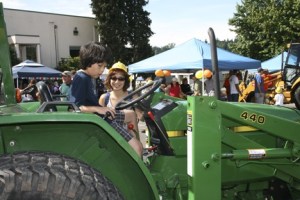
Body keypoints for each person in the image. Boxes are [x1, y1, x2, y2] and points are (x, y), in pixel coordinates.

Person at [69, 41, 143, 157]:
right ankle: (135, 154)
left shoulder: (89, 78)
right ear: (89, 61)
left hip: (101, 116)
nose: (102, 70)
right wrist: (99, 109)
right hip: (101, 120)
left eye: (104, 67)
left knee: (131, 114)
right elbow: (74, 107)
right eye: (100, 66)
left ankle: (131, 140)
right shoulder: (81, 78)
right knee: (138, 148)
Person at [99, 61, 139, 138]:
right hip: (109, 138)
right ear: (109, 79)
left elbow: (142, 117)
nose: (117, 82)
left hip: (130, 140)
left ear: (126, 80)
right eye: (114, 78)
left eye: (121, 79)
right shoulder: (104, 98)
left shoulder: (133, 97)